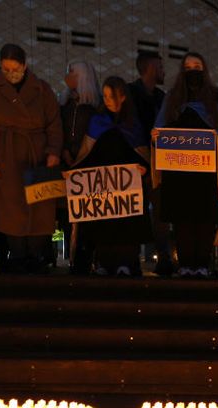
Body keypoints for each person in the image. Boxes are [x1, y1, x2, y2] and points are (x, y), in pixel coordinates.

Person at [0, 43, 62, 273]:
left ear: (25, 65)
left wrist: (53, 151)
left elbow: (54, 123)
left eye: (15, 69)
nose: (11, 74)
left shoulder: (42, 89)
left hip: (37, 155)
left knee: (39, 206)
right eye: (6, 69)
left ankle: (36, 254)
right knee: (10, 206)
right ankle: (18, 254)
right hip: (6, 154)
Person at [155, 51, 218, 278]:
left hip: (207, 170)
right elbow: (161, 126)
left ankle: (203, 264)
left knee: (205, 218)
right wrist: (156, 134)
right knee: (182, 218)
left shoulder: (217, 97)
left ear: (205, 69)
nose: (192, 70)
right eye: (188, 67)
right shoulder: (172, 97)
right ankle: (186, 264)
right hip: (179, 169)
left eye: (197, 65)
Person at [71, 76, 151, 276]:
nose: (107, 100)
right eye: (104, 95)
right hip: (103, 186)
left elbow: (142, 154)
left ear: (123, 97)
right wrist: (75, 171)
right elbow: (87, 154)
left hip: (127, 187)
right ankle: (104, 264)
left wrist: (143, 169)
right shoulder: (97, 122)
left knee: (126, 226)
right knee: (103, 226)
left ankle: (127, 264)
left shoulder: (133, 124)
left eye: (111, 96)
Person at [127, 51, 172, 275]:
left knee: (160, 213)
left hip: (158, 164)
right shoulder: (131, 94)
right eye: (161, 67)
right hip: (137, 163)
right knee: (137, 212)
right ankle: (134, 258)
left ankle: (163, 258)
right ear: (152, 68)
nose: (164, 72)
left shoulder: (161, 98)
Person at [59, 61, 100, 273]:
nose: (68, 77)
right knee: (67, 214)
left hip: (87, 167)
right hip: (67, 165)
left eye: (72, 73)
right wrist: (65, 153)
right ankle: (72, 257)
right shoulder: (65, 105)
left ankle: (86, 258)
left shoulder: (93, 107)